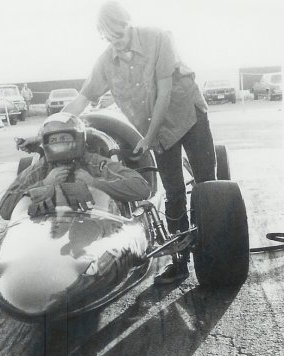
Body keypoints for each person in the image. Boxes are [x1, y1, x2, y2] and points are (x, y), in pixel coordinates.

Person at [63, 1, 216, 284]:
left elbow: (165, 92)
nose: (115, 45)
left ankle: (215, 250)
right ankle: (179, 261)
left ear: (127, 24)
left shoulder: (158, 38)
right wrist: (50, 128)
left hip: (187, 115)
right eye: (108, 39)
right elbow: (83, 99)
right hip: (156, 133)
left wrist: (147, 137)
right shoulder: (106, 61)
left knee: (208, 186)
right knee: (173, 192)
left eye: (118, 37)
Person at [0, 112, 151, 220]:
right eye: (54, 140)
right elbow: (5, 210)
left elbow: (142, 187)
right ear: (46, 143)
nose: (60, 144)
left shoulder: (95, 163)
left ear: (79, 139)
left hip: (95, 228)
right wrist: (44, 184)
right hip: (50, 232)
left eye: (65, 138)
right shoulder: (39, 169)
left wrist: (94, 183)